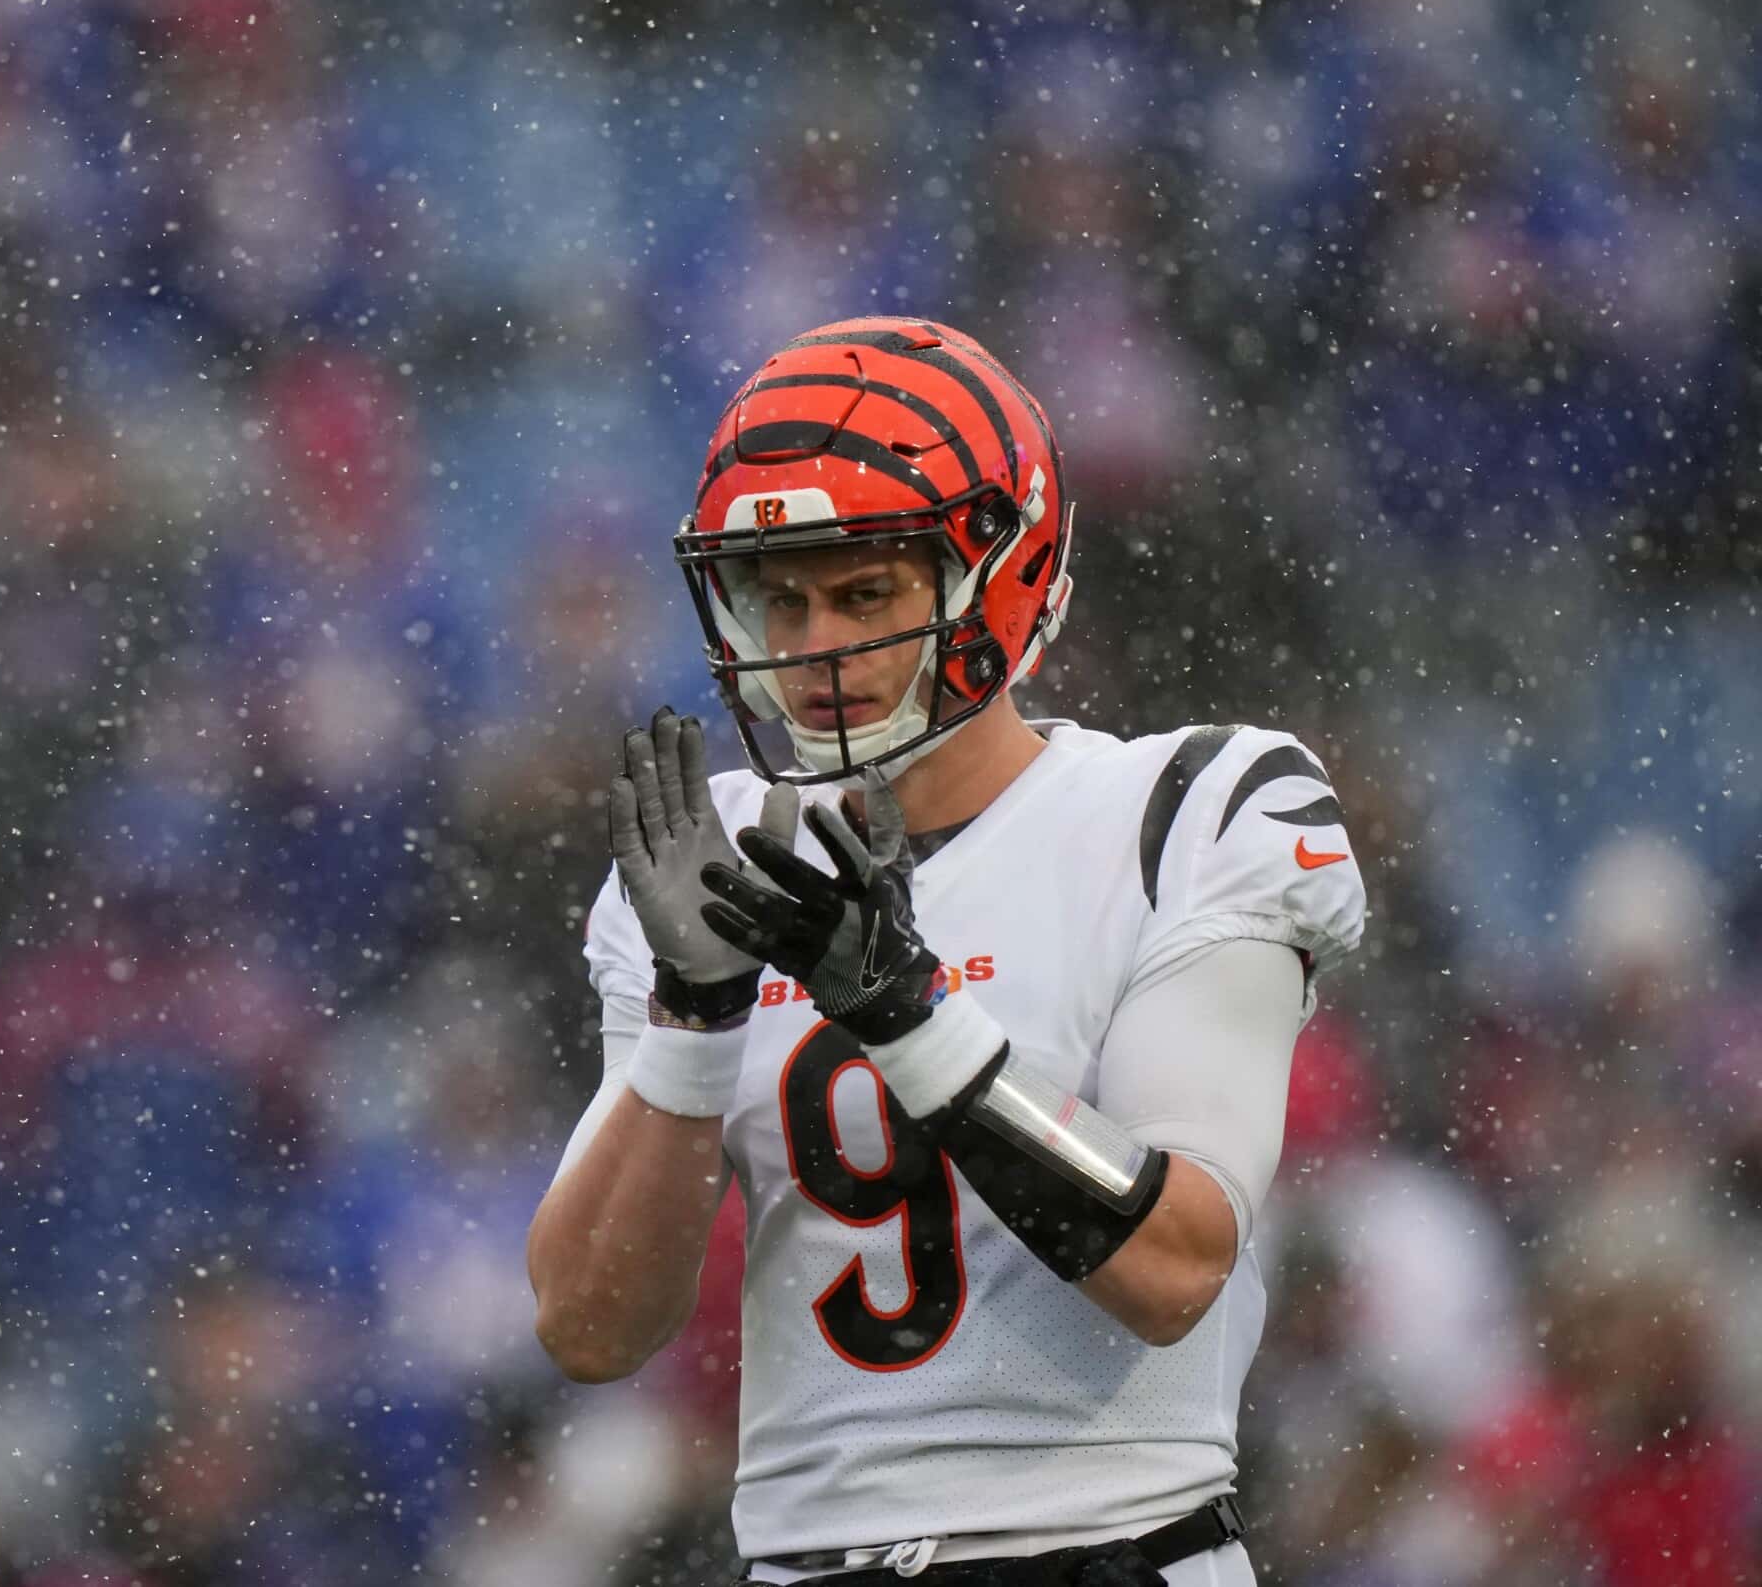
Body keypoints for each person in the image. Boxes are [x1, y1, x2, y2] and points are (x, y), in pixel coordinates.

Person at [527, 316, 1366, 1586]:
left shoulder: (1182, 814)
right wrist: (696, 1021)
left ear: (1004, 575)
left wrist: (908, 1016)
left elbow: (1175, 1264)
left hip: (1112, 1546)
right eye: (780, 597)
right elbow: (587, 1326)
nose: (814, 648)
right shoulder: (717, 857)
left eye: (865, 591)